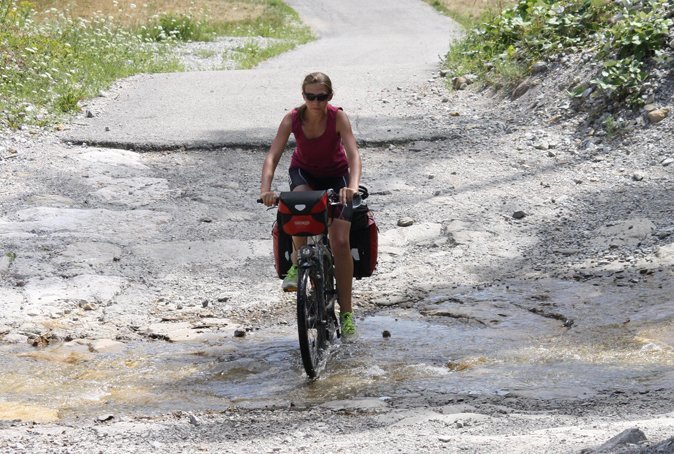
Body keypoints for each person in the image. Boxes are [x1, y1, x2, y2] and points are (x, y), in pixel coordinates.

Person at [259, 72, 362, 338]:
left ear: (330, 96)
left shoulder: (337, 117)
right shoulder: (292, 118)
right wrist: (266, 190)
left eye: (322, 97)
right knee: (298, 207)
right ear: (303, 96)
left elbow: (353, 154)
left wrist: (351, 186)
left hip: (336, 176)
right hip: (304, 174)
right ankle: (298, 264)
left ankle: (347, 313)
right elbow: (273, 155)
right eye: (310, 96)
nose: (316, 102)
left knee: (339, 240)